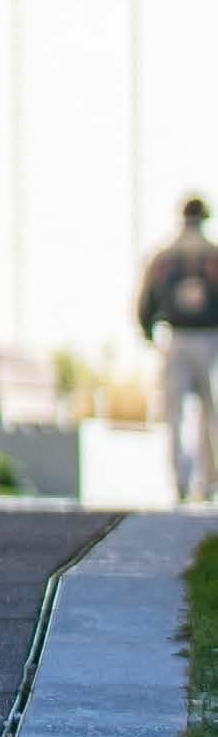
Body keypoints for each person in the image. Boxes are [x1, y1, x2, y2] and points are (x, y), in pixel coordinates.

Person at [138, 196, 218, 506]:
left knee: (176, 415)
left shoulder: (165, 256)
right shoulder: (212, 255)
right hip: (210, 337)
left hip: (178, 337)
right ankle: (209, 482)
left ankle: (181, 482)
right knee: (212, 414)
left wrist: (149, 332)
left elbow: (146, 302)